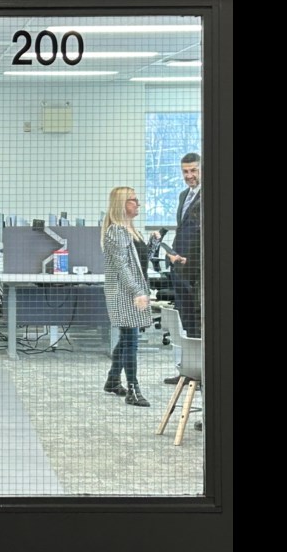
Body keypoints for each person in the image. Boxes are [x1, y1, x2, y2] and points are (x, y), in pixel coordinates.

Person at [102, 187, 153, 407]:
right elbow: (123, 267)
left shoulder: (131, 229)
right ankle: (133, 389)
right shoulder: (116, 231)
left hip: (132, 291)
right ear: (122, 204)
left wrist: (153, 244)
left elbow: (139, 262)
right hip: (124, 294)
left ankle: (113, 380)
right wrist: (137, 292)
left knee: (127, 338)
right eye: (133, 200)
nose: (138, 203)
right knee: (131, 341)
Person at [162, 152, 202, 384]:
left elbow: (205, 235)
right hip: (179, 265)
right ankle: (187, 372)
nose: (189, 176)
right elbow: (184, 230)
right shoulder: (183, 195)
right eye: (185, 171)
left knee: (197, 322)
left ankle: (200, 374)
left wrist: (193, 261)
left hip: (197, 270)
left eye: (194, 170)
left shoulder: (210, 195)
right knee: (186, 322)